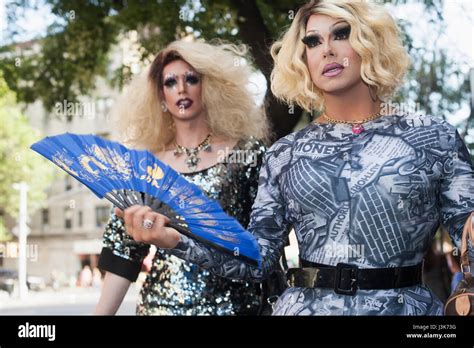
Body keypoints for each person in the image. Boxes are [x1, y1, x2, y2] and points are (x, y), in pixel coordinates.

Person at [113, 0, 474, 315]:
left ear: (369, 41)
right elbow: (256, 261)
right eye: (312, 42)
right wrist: (174, 240)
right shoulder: (284, 154)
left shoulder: (432, 137)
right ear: (303, 60)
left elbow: (468, 234)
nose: (326, 50)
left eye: (341, 33)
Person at [94, 39, 269, 315]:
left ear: (208, 86)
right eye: (170, 82)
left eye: (191, 79)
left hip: (236, 308)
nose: (182, 89)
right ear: (161, 95)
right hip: (159, 309)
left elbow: (265, 246)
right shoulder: (145, 167)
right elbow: (123, 253)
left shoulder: (248, 153)